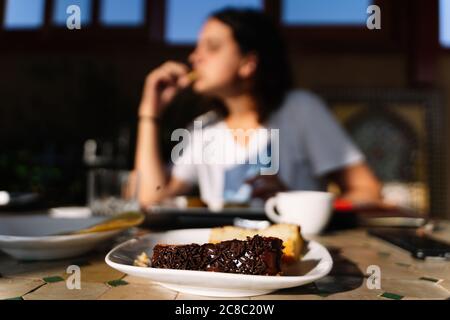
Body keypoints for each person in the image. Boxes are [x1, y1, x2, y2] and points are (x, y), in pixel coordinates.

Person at [134, 8, 381, 209]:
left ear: (248, 63)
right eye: (197, 47)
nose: (194, 57)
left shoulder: (300, 109)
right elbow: (151, 199)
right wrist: (149, 112)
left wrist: (294, 203)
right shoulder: (204, 129)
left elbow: (368, 191)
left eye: (212, 46)